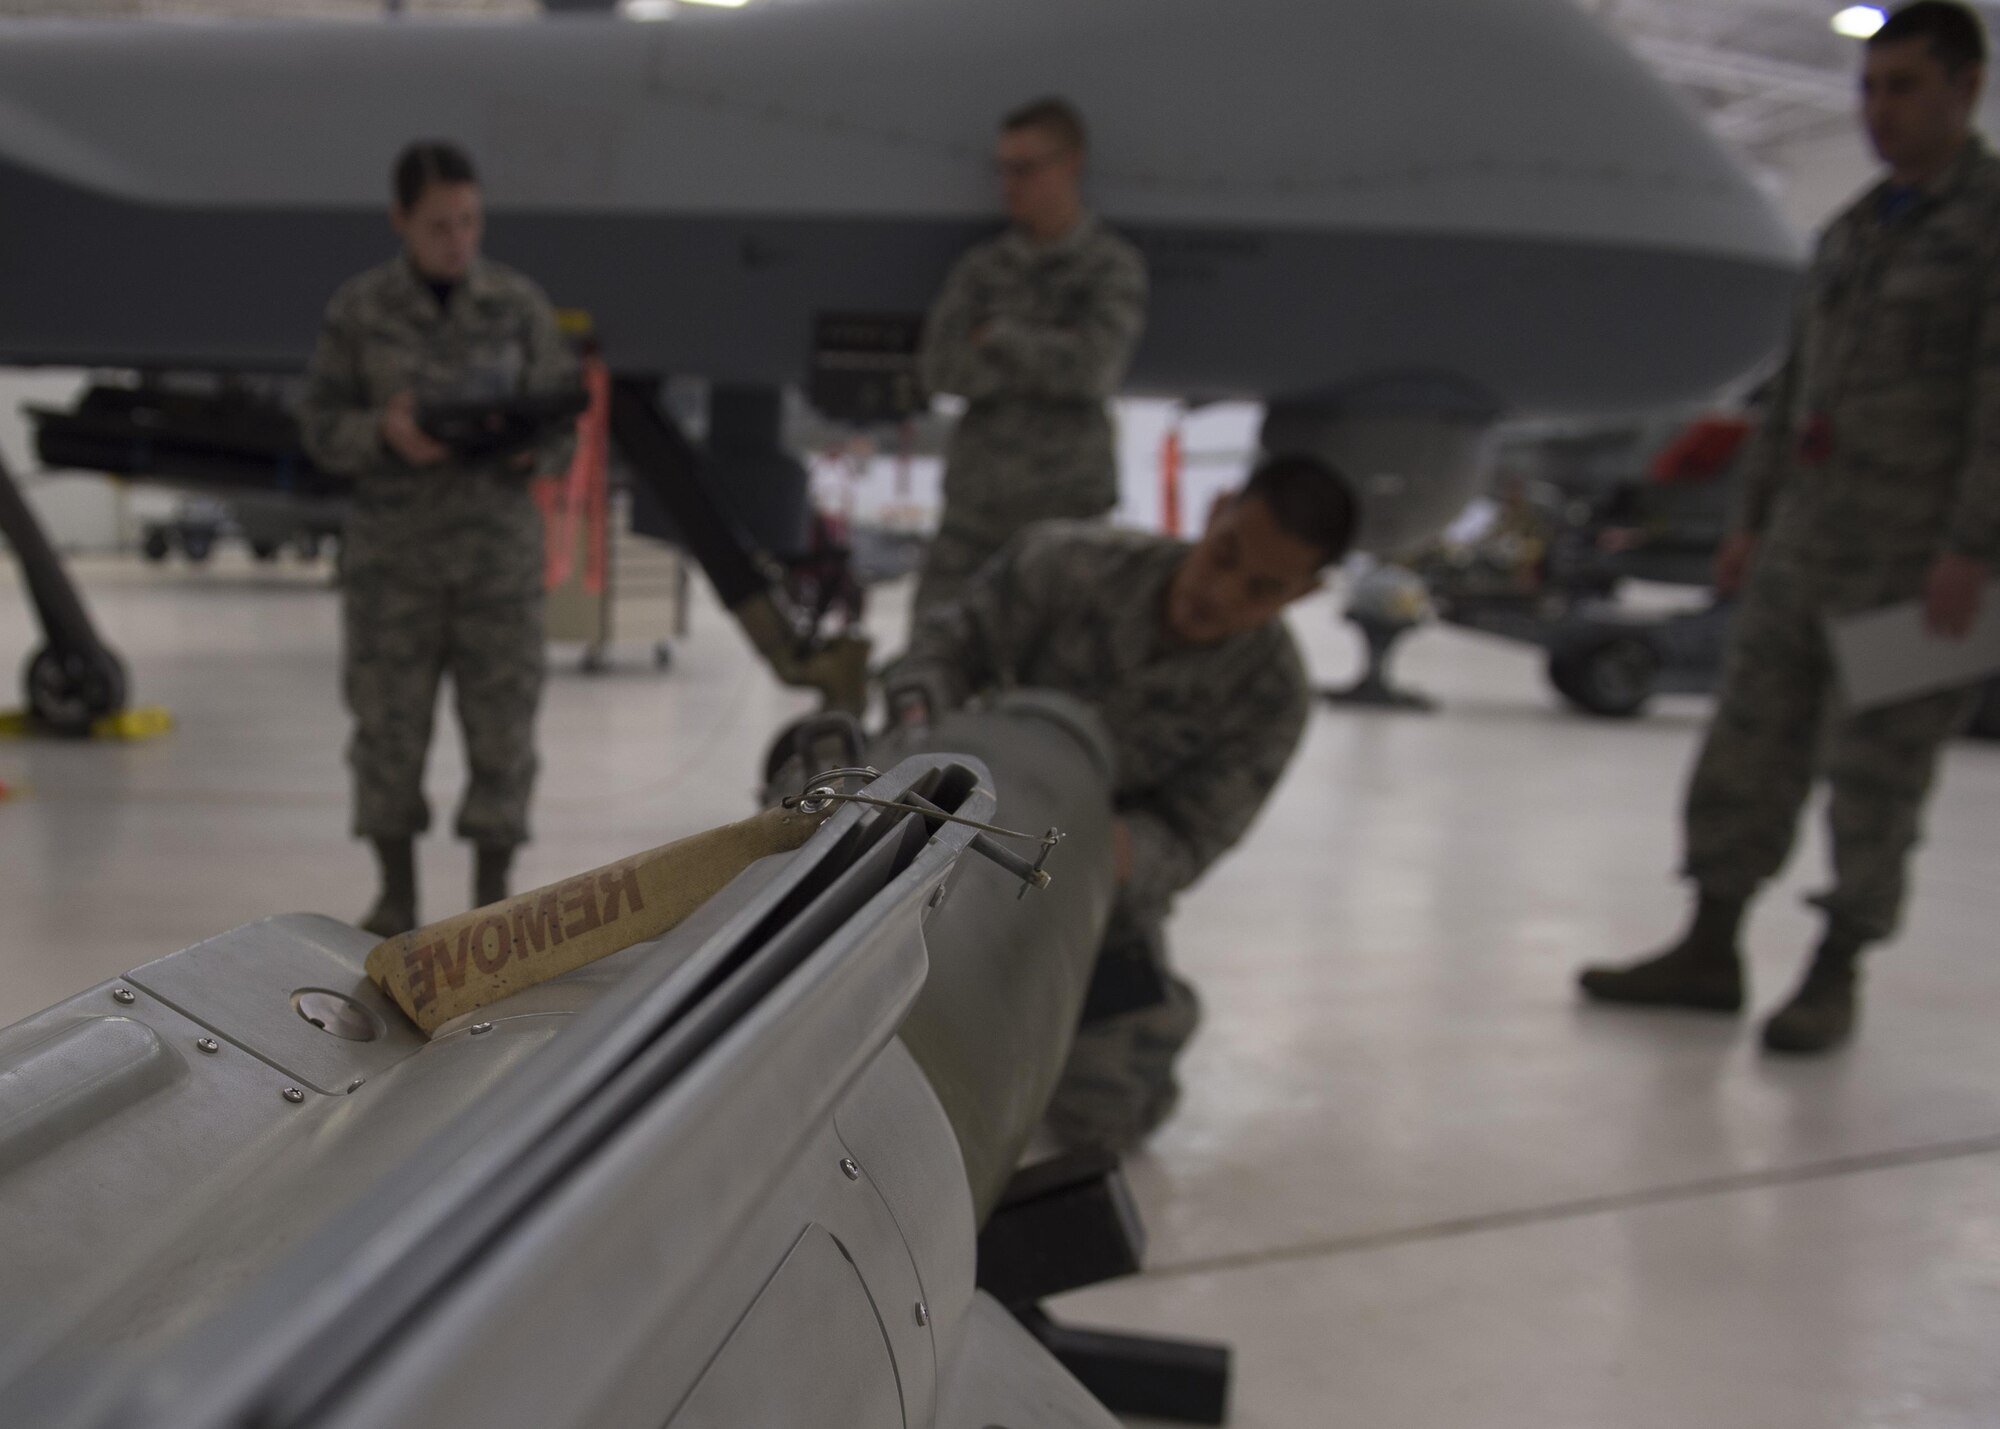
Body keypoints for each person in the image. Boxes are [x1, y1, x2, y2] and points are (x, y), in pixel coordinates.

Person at [1578, 0, 2000, 1054]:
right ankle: (1708, 943)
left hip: (1920, 568)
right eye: (1866, 87)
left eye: (1903, 86)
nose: (1877, 110)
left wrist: (1975, 553)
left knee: (1876, 775)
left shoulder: (1989, 228)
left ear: (1966, 89)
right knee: (1745, 746)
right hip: (1803, 549)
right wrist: (1748, 519)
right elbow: (1791, 395)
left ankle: (1833, 967)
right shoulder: (1851, 231)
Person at [885, 454, 1358, 1150]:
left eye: (1262, 588)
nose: (1222, 594)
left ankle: (1152, 1017)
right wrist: (921, 736)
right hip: (950, 813)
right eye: (1225, 555)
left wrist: (1073, 846)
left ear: (1305, 593)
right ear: (1217, 507)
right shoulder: (1067, 564)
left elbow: (1188, 839)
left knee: (1104, 1111)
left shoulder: (1271, 698)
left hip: (1092, 884)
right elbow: (941, 651)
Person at [300, 141, 578, 937]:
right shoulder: (360, 311)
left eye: (468, 222)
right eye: (438, 226)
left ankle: (491, 899)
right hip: (397, 565)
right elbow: (318, 425)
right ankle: (396, 895)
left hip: (498, 563)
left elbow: (562, 424)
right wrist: (383, 433)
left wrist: (527, 444)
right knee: (387, 729)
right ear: (401, 221)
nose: (458, 241)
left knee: (503, 732)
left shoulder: (519, 306)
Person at [914, 97, 1148, 617]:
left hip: (1068, 520)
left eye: (1024, 169)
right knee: (931, 665)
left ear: (1070, 165)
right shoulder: (981, 269)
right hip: (975, 518)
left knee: (1061, 678)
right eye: (1003, 169)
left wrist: (1000, 337)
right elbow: (941, 369)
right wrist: (1051, 350)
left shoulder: (1110, 268)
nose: (1009, 184)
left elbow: (1094, 369)